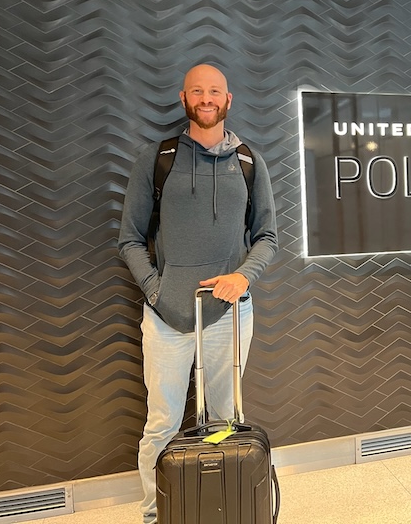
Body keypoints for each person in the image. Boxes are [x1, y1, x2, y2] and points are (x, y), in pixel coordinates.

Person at [118, 64, 278, 524]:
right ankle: (156, 516)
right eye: (197, 91)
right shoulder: (158, 157)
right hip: (166, 316)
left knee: (226, 423)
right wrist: (155, 289)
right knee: (162, 424)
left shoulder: (248, 161)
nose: (206, 98)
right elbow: (129, 238)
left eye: (215, 92)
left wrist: (243, 277)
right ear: (184, 98)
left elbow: (267, 235)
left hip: (229, 314)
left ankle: (223, 512)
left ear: (228, 100)